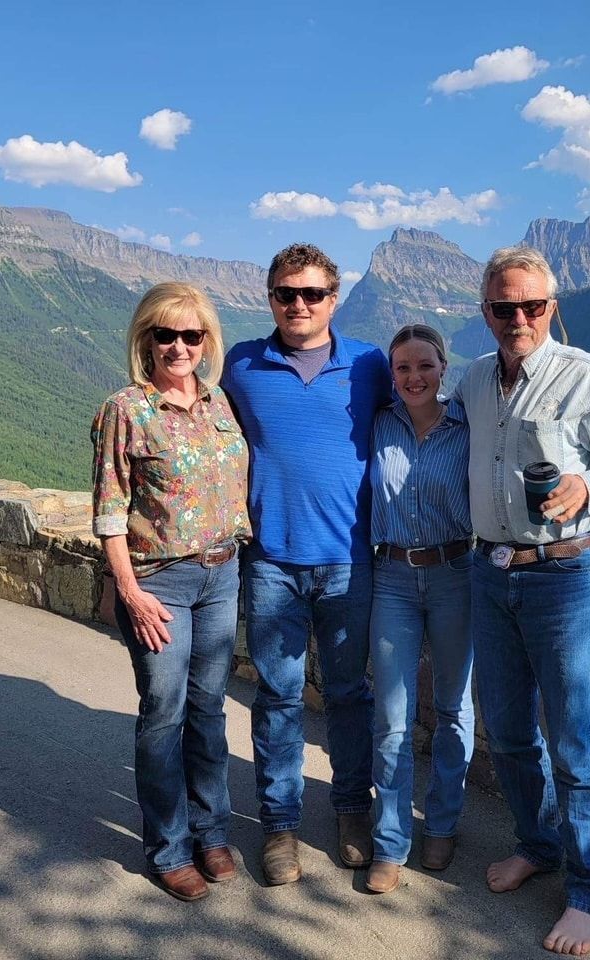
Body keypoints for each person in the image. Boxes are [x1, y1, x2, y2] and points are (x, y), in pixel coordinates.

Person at [453, 246, 590, 955]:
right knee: (507, 729)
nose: (519, 320)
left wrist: (587, 488)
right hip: (489, 570)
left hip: (564, 573)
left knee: (574, 739)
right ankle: (536, 844)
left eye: (532, 307)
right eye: (504, 308)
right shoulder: (475, 380)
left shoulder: (584, 374)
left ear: (552, 308)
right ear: (485, 313)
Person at [222, 243, 393, 885]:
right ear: (269, 297)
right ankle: (281, 825)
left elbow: (420, 416)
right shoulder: (241, 365)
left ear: (333, 300)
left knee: (349, 694)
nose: (299, 305)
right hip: (270, 562)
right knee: (278, 696)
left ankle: (352, 808)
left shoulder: (371, 365)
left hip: (349, 560)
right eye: (286, 294)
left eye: (312, 294)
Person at [91, 282, 250, 902]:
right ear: (145, 340)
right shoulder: (126, 409)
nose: (179, 346)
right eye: (166, 334)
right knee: (164, 712)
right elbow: (109, 510)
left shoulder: (220, 404)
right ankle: (169, 848)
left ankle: (212, 832)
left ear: (208, 341)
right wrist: (127, 590)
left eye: (192, 335)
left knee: (210, 710)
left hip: (222, 572)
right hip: (159, 581)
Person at [364, 324, 474, 895]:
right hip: (392, 578)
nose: (414, 377)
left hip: (457, 573)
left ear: (443, 368)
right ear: (391, 374)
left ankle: (445, 823)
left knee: (453, 709)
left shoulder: (468, 427)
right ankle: (390, 840)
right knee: (393, 717)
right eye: (402, 368)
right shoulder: (377, 423)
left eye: (424, 366)